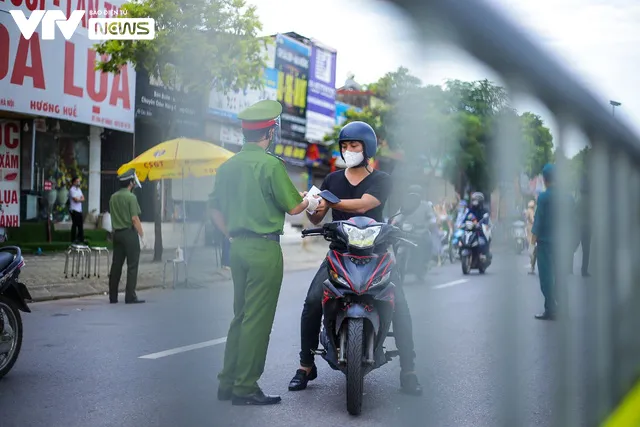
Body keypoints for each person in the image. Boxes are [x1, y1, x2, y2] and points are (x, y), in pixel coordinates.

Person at [287, 121, 423, 396]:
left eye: (354, 146)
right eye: (345, 146)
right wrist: (312, 204)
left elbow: (364, 203)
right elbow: (317, 216)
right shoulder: (332, 180)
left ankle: (408, 370)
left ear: (368, 149)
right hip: (340, 252)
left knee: (401, 307)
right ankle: (305, 365)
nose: (348, 151)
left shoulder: (381, 179)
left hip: (377, 253)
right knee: (313, 301)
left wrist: (330, 200)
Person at [210, 100, 319, 406]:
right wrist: (310, 200)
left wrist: (231, 233)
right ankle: (245, 388)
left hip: (238, 247)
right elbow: (293, 206)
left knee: (240, 317)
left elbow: (214, 209)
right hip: (264, 249)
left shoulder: (228, 165)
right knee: (257, 321)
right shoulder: (271, 164)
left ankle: (227, 382)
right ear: (270, 132)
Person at [531, 164, 574, 320]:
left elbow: (539, 220)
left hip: (546, 245)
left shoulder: (544, 197)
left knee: (547, 278)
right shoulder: (569, 197)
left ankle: (551, 309)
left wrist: (532, 241)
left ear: (545, 179)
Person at [108, 168, 145, 305]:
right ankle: (130, 296)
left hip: (117, 234)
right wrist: (142, 235)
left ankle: (113, 296)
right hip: (129, 234)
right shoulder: (131, 197)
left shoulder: (113, 197)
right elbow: (134, 219)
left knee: (116, 265)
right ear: (131, 182)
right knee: (132, 265)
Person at [466, 192, 492, 259]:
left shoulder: (484, 210)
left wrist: (483, 224)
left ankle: (484, 253)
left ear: (480, 201)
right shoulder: (471, 209)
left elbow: (486, 219)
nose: (474, 202)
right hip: (471, 228)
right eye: (473, 200)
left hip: (480, 229)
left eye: (476, 200)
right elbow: (467, 217)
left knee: (483, 239)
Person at [69, 176, 85, 243]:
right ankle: (73, 239)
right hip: (74, 209)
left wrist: (79, 199)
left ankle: (81, 238)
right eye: (77, 181)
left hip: (79, 210)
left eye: (79, 181)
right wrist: (79, 199)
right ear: (74, 182)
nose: (78, 183)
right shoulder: (72, 190)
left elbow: (83, 198)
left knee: (80, 225)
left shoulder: (79, 189)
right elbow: (75, 200)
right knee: (75, 224)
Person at [525, 199, 537, 275]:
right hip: (532, 230)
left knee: (531, 250)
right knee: (532, 250)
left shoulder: (529, 211)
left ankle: (532, 267)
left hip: (531, 231)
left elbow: (532, 220)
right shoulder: (533, 211)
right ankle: (532, 267)